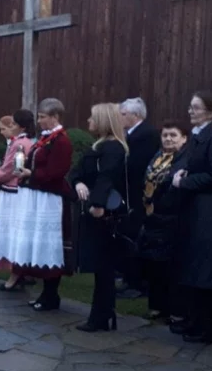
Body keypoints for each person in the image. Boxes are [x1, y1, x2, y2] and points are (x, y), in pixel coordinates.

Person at [170, 91, 212, 344]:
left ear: (210, 112)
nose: (190, 111)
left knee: (204, 266)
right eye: (190, 106)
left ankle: (206, 325)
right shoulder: (198, 137)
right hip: (193, 208)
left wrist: (186, 181)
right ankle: (192, 317)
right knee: (191, 263)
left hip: (208, 212)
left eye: (196, 108)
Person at [0, 99, 74, 309]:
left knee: (49, 246)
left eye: (43, 117)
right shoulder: (46, 138)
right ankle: (46, 293)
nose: (39, 121)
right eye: (38, 117)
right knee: (40, 244)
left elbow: (57, 171)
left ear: (55, 117)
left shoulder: (61, 141)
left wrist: (32, 174)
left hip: (50, 198)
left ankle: (51, 295)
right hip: (39, 196)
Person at [72, 103, 128, 332]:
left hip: (105, 214)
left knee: (103, 266)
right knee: (99, 266)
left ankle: (101, 315)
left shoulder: (114, 148)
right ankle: (102, 314)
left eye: (93, 118)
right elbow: (76, 172)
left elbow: (107, 178)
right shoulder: (97, 146)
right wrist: (78, 182)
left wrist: (97, 203)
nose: (88, 121)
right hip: (94, 210)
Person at [138, 120, 189, 320]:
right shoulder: (158, 156)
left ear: (184, 138)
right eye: (165, 135)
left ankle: (173, 309)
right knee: (154, 265)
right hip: (152, 217)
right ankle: (156, 305)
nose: (168, 139)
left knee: (170, 267)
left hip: (172, 218)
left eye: (173, 135)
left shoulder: (185, 159)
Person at [0, 110, 36, 289]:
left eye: (13, 124)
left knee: (13, 233)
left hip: (13, 192)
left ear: (21, 126)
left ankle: (16, 275)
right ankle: (22, 271)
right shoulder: (23, 142)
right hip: (15, 190)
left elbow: (10, 169)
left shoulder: (20, 144)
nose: (11, 128)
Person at [118, 97, 161, 299]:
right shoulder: (129, 134)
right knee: (127, 235)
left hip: (138, 194)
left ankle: (137, 282)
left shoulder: (147, 134)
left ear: (136, 115)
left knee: (136, 236)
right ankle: (127, 277)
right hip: (127, 193)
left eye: (123, 114)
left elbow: (138, 165)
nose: (120, 117)